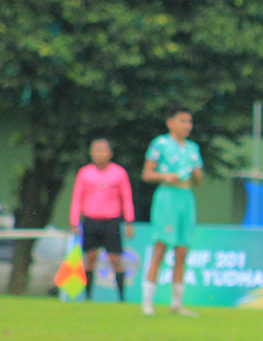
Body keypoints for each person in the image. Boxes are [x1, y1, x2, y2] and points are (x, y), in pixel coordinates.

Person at [140, 104, 204, 317]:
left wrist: (197, 174)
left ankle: (176, 304)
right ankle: (147, 301)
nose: (187, 126)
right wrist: (165, 176)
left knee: (182, 251)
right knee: (160, 248)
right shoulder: (160, 144)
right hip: (168, 196)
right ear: (170, 123)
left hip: (186, 197)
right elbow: (147, 174)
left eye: (189, 122)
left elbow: (199, 181)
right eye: (182, 121)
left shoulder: (193, 148)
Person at [69, 138, 135, 301]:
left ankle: (122, 298)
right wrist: (74, 221)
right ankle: (88, 297)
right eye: (95, 150)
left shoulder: (119, 173)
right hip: (91, 221)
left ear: (110, 153)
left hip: (111, 222)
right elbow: (77, 198)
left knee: (115, 259)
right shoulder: (84, 173)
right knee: (90, 258)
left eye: (102, 150)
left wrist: (129, 221)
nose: (98, 154)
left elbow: (126, 198)